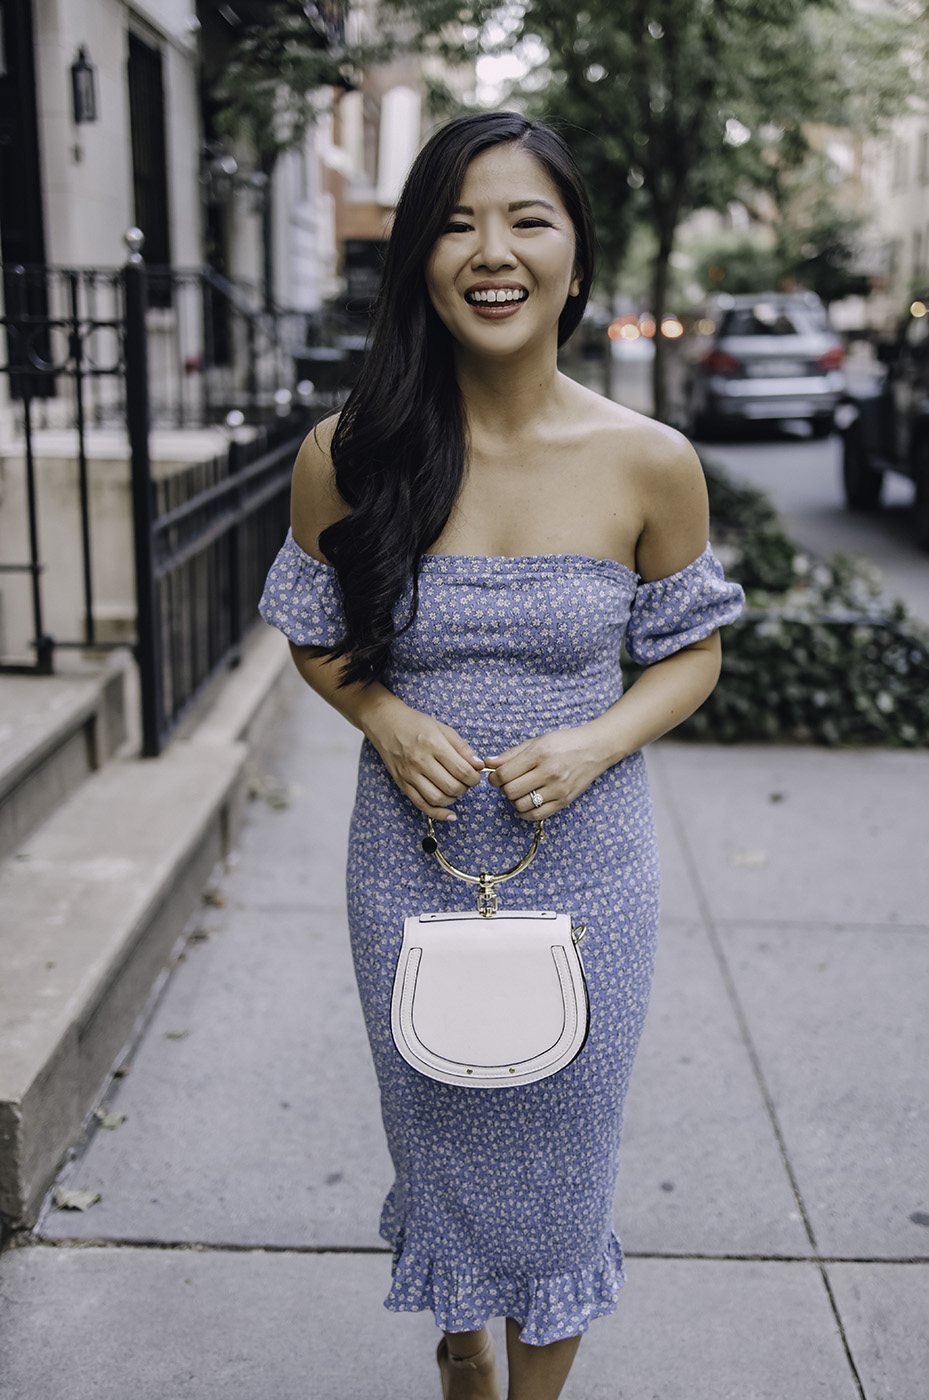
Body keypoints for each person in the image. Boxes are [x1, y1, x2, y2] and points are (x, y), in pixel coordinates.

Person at [259, 111, 743, 1400]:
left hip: (587, 876)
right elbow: (309, 635)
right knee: (441, 1145)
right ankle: (463, 1337)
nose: (494, 249)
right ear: (421, 256)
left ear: (574, 260)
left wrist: (594, 742)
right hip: (408, 870)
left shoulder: (650, 461)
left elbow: (692, 653)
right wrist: (384, 714)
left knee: (565, 1170)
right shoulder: (349, 455)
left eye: (528, 219)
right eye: (460, 221)